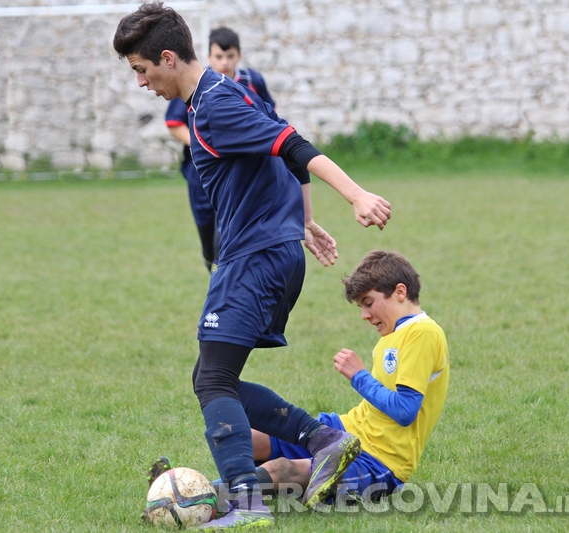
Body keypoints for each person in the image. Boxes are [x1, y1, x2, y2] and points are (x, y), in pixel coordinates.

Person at [114, 3, 392, 528]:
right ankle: (325, 439)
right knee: (214, 377)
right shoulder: (220, 93)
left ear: (167, 58)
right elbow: (281, 139)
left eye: (141, 70)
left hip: (254, 258)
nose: (141, 83)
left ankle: (246, 503)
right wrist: (305, 222)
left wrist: (355, 196)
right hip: (270, 252)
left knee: (213, 381)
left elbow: (292, 145)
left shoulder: (215, 105)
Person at [248, 250, 450, 504]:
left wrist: (359, 376)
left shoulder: (423, 333)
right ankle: (218, 490)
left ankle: (208, 496)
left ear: (400, 292)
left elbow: (405, 411)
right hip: (345, 432)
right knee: (247, 435)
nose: (365, 315)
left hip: (379, 460)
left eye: (369, 303)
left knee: (281, 469)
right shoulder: (393, 335)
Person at [165, 27, 282, 273]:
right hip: (201, 173)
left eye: (229, 56)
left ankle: (229, 273)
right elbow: (174, 124)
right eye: (219, 57)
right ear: (208, 57)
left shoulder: (252, 82)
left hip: (239, 174)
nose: (224, 62)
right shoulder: (195, 84)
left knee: (229, 229)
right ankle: (212, 260)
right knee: (207, 230)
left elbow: (269, 117)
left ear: (238, 55)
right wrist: (206, 145)